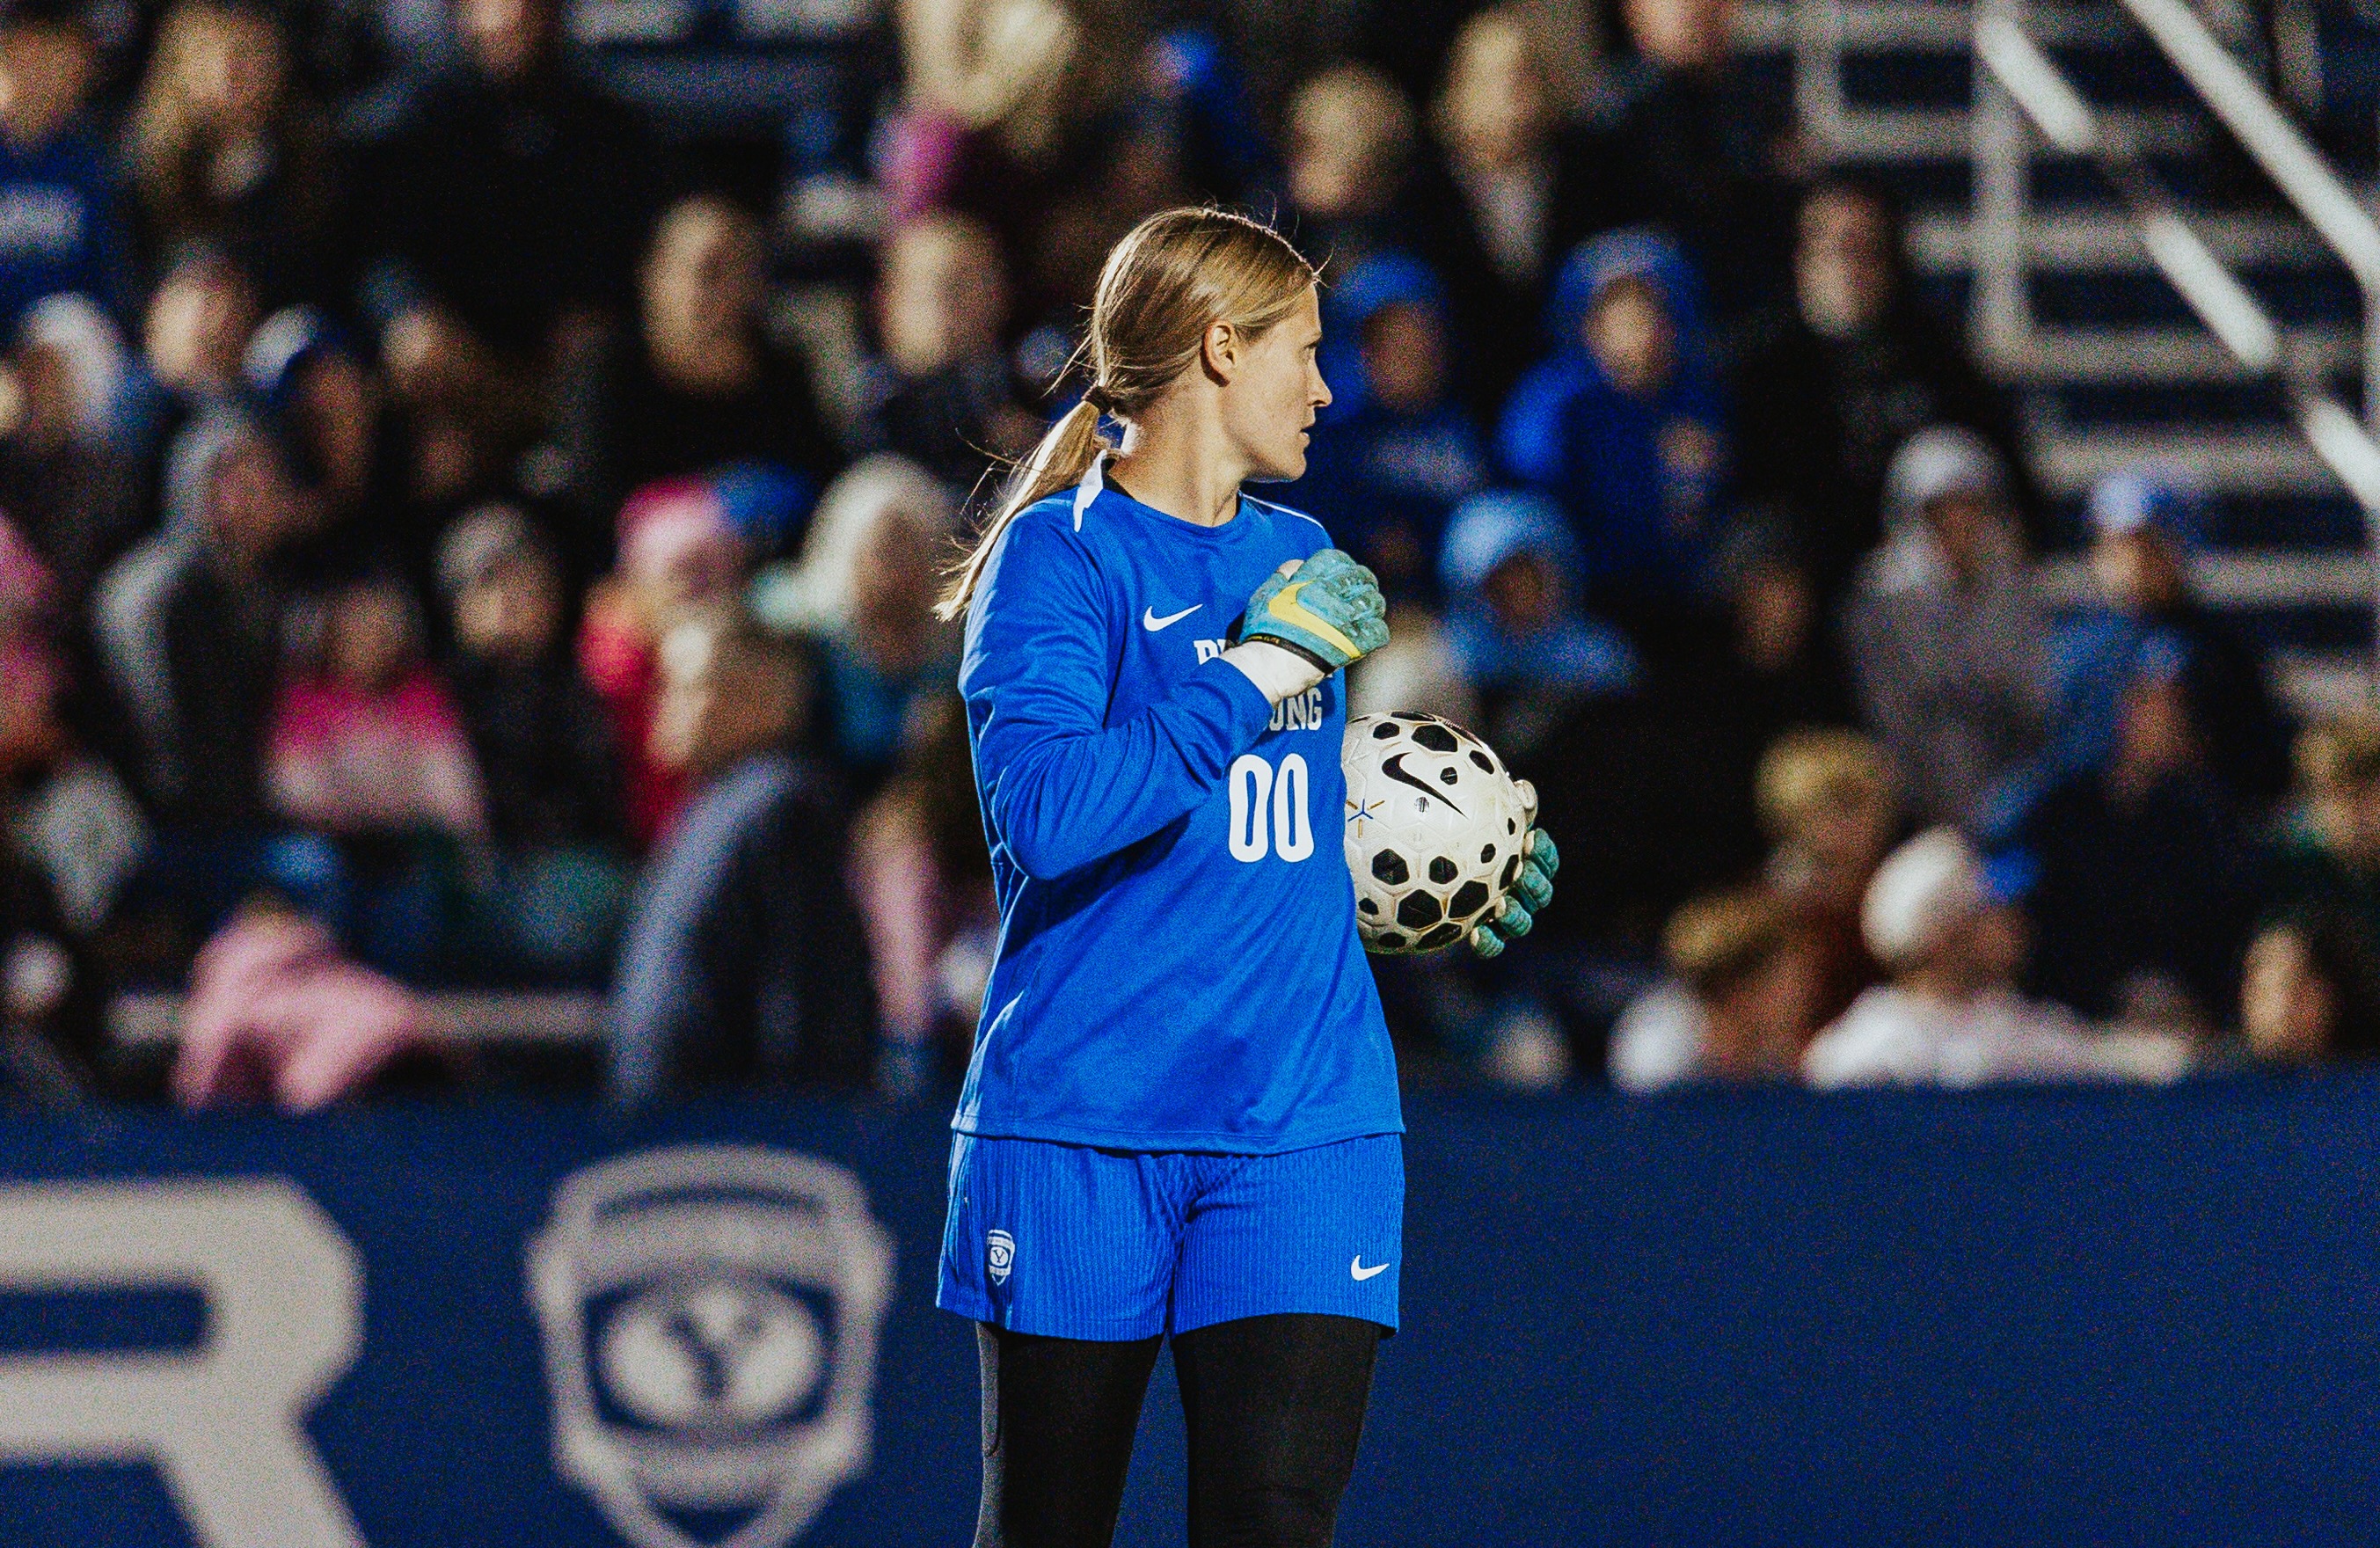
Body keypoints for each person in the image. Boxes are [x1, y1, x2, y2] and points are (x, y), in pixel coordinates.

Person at [931, 208, 1554, 1548]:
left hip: (1301, 1119)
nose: (1330, 389)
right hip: (1084, 1120)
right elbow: (1047, 814)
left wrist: (1426, 861)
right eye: (1305, 353)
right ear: (1221, 349)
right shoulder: (1059, 561)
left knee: (1273, 1524)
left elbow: (1261, 819)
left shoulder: (1298, 558)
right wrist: (1251, 675)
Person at [609, 606, 875, 1098]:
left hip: (742, 1147)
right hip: (672, 1136)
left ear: (763, 702)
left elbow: (808, 997)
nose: (663, 701)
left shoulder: (784, 804)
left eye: (689, 685)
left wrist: (795, 1124)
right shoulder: (714, 803)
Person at [1732, 178, 2031, 594]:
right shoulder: (1760, 366)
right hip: (1805, 595)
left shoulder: (1939, 361)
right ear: (1801, 258)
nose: (1849, 268)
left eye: (1867, 250)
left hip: (1918, 601)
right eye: (1831, 248)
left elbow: (2010, 486)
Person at [1803, 828, 2193, 1088]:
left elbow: (2124, 1061)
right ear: (1943, 937)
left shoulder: (2013, 1023)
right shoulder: (1869, 1047)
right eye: (1988, 910)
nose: (2013, 922)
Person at [2014, 633, 2256, 1027]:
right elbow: (2020, 936)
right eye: (2146, 702)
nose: (2167, 719)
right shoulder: (2044, 816)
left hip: (2183, 1035)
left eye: (2177, 704)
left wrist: (2184, 999)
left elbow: (2224, 935)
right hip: (2057, 1037)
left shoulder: (2203, 820)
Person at [1499, 226, 1731, 634]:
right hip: (1578, 602)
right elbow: (1530, 499)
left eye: (1651, 312)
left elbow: (1704, 509)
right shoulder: (1555, 401)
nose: (1639, 332)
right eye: (1619, 315)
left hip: (1683, 599)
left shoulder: (1698, 398)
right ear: (1588, 325)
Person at [1839, 425, 2049, 828]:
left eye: (1969, 506)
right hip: (1913, 811)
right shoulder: (1879, 600)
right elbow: (1888, 724)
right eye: (1941, 510)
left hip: (2011, 803)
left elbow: (2032, 705)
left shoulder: (2016, 589)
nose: (1957, 523)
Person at [2048, 466, 2289, 814]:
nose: (2134, 562)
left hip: (2206, 838)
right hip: (2099, 841)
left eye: (2148, 546)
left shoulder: (2223, 650)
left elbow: (2264, 765)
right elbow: (2058, 762)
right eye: (2119, 547)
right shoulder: (2074, 653)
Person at [1288, 250, 1488, 604]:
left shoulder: (1468, 425)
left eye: (1419, 336)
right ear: (1358, 350)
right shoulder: (1327, 433)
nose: (1408, 351)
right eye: (1389, 340)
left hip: (1460, 610)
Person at [1609, 886, 1821, 1091]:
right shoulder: (1657, 1051)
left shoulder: (1778, 1052)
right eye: (1790, 976)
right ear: (1741, 984)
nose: (1805, 990)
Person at [2239, 908, 2380, 1064]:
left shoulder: (2363, 1078)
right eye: (2264, 990)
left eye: (2296, 988)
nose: (2282, 1007)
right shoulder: (2222, 1078)